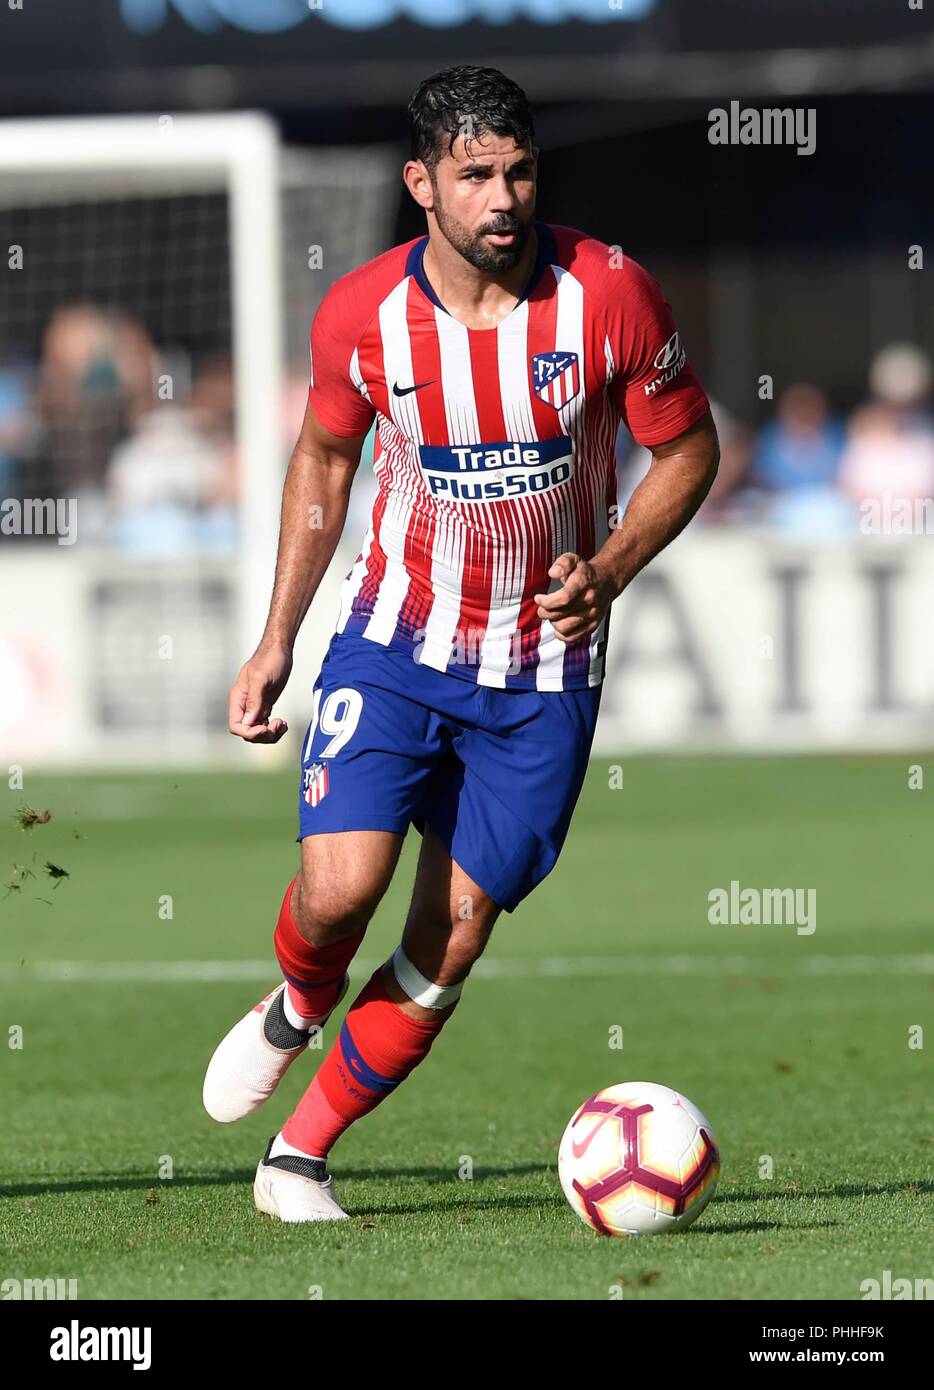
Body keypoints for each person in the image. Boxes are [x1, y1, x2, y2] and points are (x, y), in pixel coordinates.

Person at [203, 65, 719, 1223]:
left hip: (542, 675)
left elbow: (688, 450)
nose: (503, 197)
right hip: (395, 637)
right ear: (421, 184)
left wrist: (615, 567)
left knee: (449, 938)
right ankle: (298, 998)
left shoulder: (611, 294)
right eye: (475, 175)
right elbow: (325, 460)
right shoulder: (363, 316)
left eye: (520, 170)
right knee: (341, 892)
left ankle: (298, 1156)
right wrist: (277, 634)